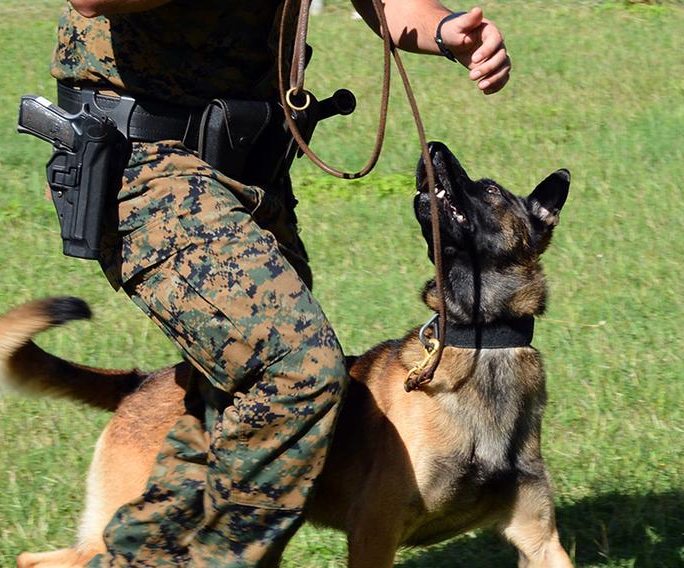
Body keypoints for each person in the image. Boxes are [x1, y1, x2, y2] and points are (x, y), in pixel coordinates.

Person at [49, 1, 510, 566]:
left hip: (248, 169)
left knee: (233, 408)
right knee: (296, 370)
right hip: (144, 157)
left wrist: (443, 28)